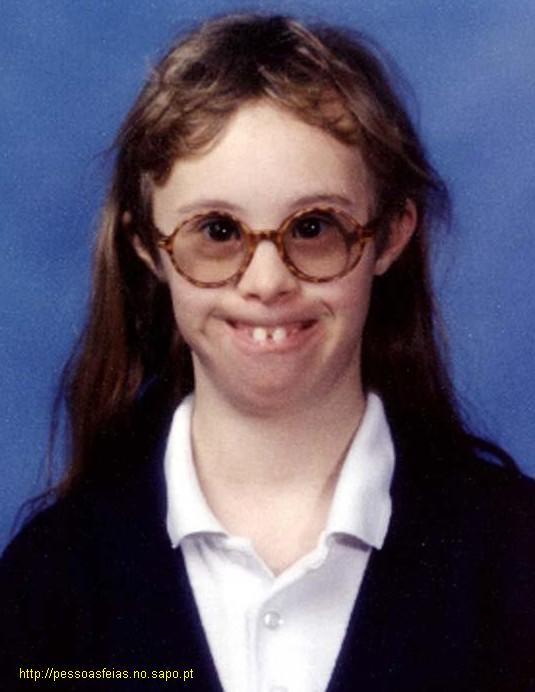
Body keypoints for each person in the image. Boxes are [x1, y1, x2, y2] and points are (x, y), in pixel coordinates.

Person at [1, 13, 534, 692]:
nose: (266, 282)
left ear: (391, 235)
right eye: (217, 231)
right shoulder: (48, 589)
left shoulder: (514, 555)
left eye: (313, 227)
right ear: (146, 247)